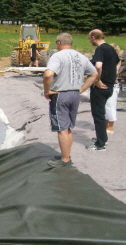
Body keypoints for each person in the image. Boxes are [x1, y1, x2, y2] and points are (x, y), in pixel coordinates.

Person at [43, 33, 98, 167]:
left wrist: (46, 91)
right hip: (74, 95)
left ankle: (65, 160)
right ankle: (66, 155)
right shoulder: (80, 56)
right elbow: (94, 74)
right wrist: (81, 89)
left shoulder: (57, 56)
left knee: (61, 129)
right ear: (71, 43)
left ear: (58, 43)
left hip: (60, 94)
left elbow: (48, 74)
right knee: (68, 128)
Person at [87, 29, 121, 151]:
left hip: (100, 87)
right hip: (110, 86)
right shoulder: (111, 48)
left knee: (98, 115)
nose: (89, 41)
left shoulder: (100, 49)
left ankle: (100, 144)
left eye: (89, 38)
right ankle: (102, 138)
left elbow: (98, 66)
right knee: (102, 114)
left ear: (93, 37)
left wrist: (97, 80)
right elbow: (117, 62)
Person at [105, 43, 123, 134]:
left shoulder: (116, 61)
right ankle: (106, 124)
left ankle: (110, 125)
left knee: (110, 106)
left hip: (113, 85)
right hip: (107, 84)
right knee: (105, 106)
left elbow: (115, 73)